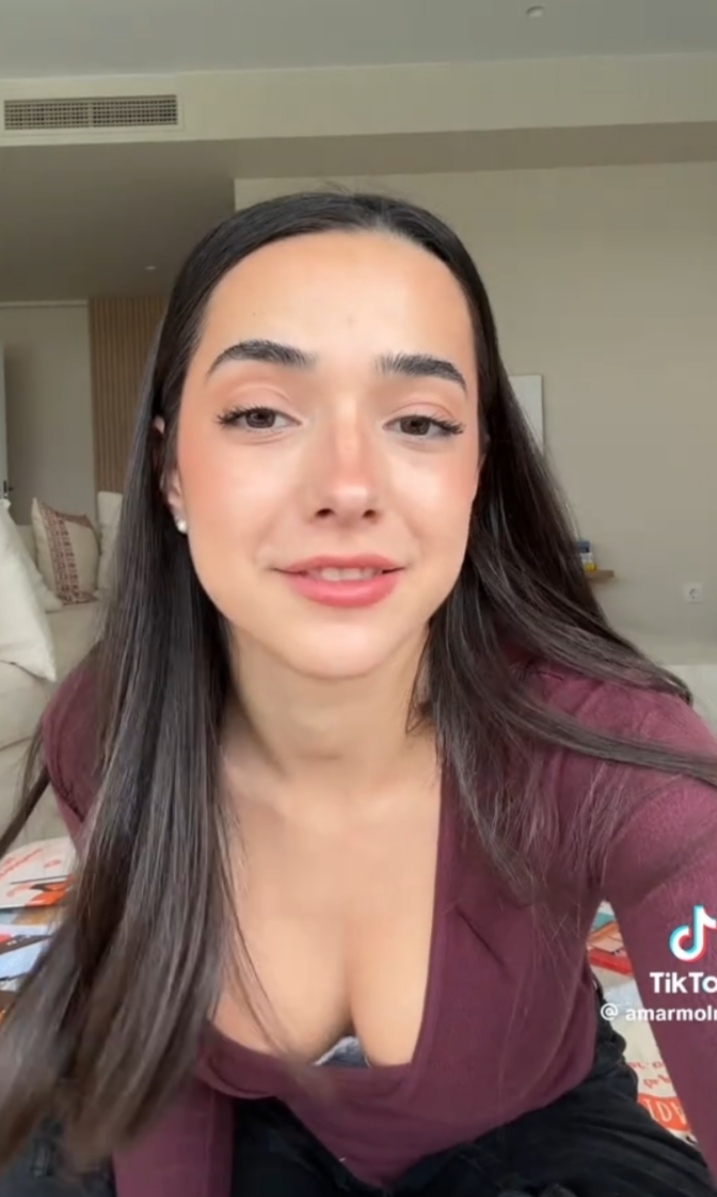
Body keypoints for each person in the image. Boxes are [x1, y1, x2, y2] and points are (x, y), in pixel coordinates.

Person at [0, 190, 716, 1197]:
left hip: (537, 1137)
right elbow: (162, 1056)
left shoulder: (619, 756)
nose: (347, 486)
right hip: (250, 1130)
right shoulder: (107, 726)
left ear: (477, 472)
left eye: (419, 421)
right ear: (170, 470)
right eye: (260, 413)